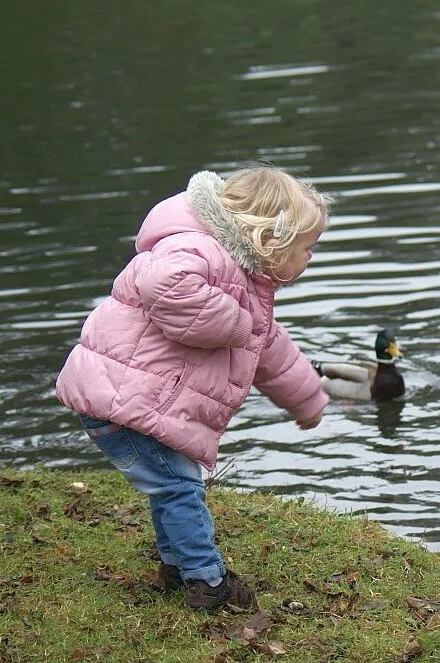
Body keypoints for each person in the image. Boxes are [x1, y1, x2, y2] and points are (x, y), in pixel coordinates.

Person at [55, 166, 329, 611]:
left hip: (135, 401)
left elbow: (271, 349)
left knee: (172, 485)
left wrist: (307, 399)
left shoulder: (243, 277)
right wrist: (235, 322)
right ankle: (207, 580)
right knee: (180, 489)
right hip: (125, 403)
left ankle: (177, 566)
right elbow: (164, 285)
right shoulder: (198, 249)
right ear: (269, 240)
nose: (310, 257)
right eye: (307, 247)